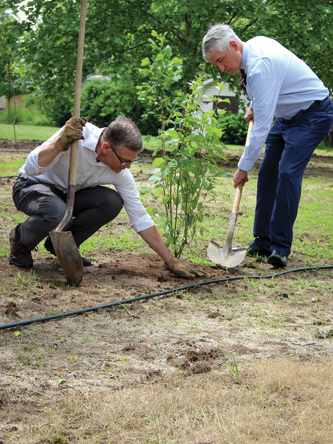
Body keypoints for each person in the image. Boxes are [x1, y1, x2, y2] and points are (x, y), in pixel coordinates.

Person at [9, 115, 205, 280]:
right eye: (125, 160)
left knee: (111, 202)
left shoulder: (120, 171)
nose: (128, 166)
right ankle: (21, 239)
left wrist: (171, 260)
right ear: (106, 148)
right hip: (31, 186)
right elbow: (31, 168)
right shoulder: (75, 134)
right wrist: (59, 145)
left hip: (67, 196)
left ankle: (62, 246)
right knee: (57, 211)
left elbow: (139, 216)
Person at [202, 24, 333, 267]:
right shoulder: (253, 49)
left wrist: (243, 167)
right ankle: (263, 240)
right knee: (268, 172)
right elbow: (270, 87)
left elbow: (261, 127)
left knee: (287, 172)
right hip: (286, 116)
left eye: (221, 60)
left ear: (233, 45)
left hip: (313, 115)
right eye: (216, 65)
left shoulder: (261, 64)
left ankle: (280, 247)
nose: (221, 68)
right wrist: (255, 103)